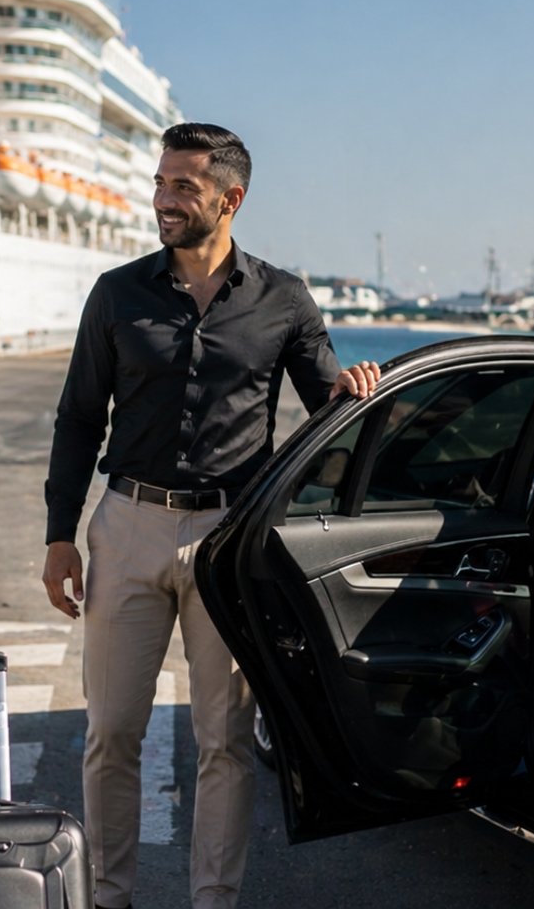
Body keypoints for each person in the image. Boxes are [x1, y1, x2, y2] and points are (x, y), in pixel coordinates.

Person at [42, 123, 380, 909]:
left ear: (230, 199)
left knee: (224, 741)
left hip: (230, 542)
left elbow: (326, 402)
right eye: (160, 182)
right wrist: (62, 536)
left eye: (182, 187)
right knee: (110, 735)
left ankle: (213, 901)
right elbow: (78, 418)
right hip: (126, 525)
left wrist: (357, 392)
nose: (162, 199)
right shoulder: (117, 292)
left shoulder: (283, 298)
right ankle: (111, 898)